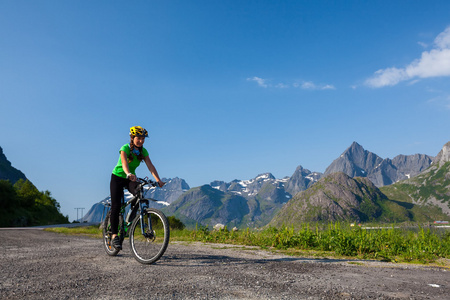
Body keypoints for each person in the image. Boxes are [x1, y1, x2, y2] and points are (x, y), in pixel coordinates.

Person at [109, 126, 165, 250]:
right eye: (138, 138)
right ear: (132, 138)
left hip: (131, 178)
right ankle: (114, 236)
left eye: (143, 139)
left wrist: (158, 180)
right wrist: (128, 173)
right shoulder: (125, 148)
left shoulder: (143, 152)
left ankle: (130, 218)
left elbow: (150, 165)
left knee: (139, 191)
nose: (141, 141)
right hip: (118, 177)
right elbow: (124, 162)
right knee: (116, 206)